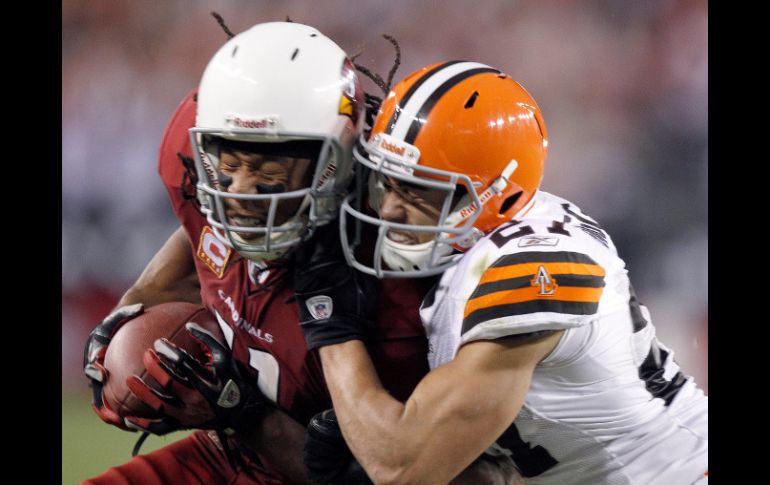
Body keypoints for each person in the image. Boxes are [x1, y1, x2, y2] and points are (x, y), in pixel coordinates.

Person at [83, 23, 515, 485]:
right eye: (228, 166)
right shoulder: (190, 163)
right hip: (225, 455)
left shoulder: (407, 264)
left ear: (338, 159)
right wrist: (124, 329)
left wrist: (247, 414)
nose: (243, 194)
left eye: (270, 168)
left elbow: (470, 476)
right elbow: (201, 232)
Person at [301, 61, 709, 484]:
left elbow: (402, 469)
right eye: (387, 183)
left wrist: (333, 332)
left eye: (419, 189)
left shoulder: (531, 266)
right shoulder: (509, 232)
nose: (388, 209)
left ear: (498, 191)